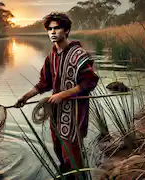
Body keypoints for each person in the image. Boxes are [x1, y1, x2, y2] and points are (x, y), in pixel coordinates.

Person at [15, 12, 99, 179]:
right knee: (58, 149)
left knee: (72, 153)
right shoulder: (51, 56)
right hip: (56, 112)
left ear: (66, 31)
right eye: (49, 29)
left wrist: (64, 94)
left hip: (74, 112)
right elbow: (44, 83)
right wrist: (25, 97)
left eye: (57, 28)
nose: (52, 32)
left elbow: (90, 82)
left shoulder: (79, 54)